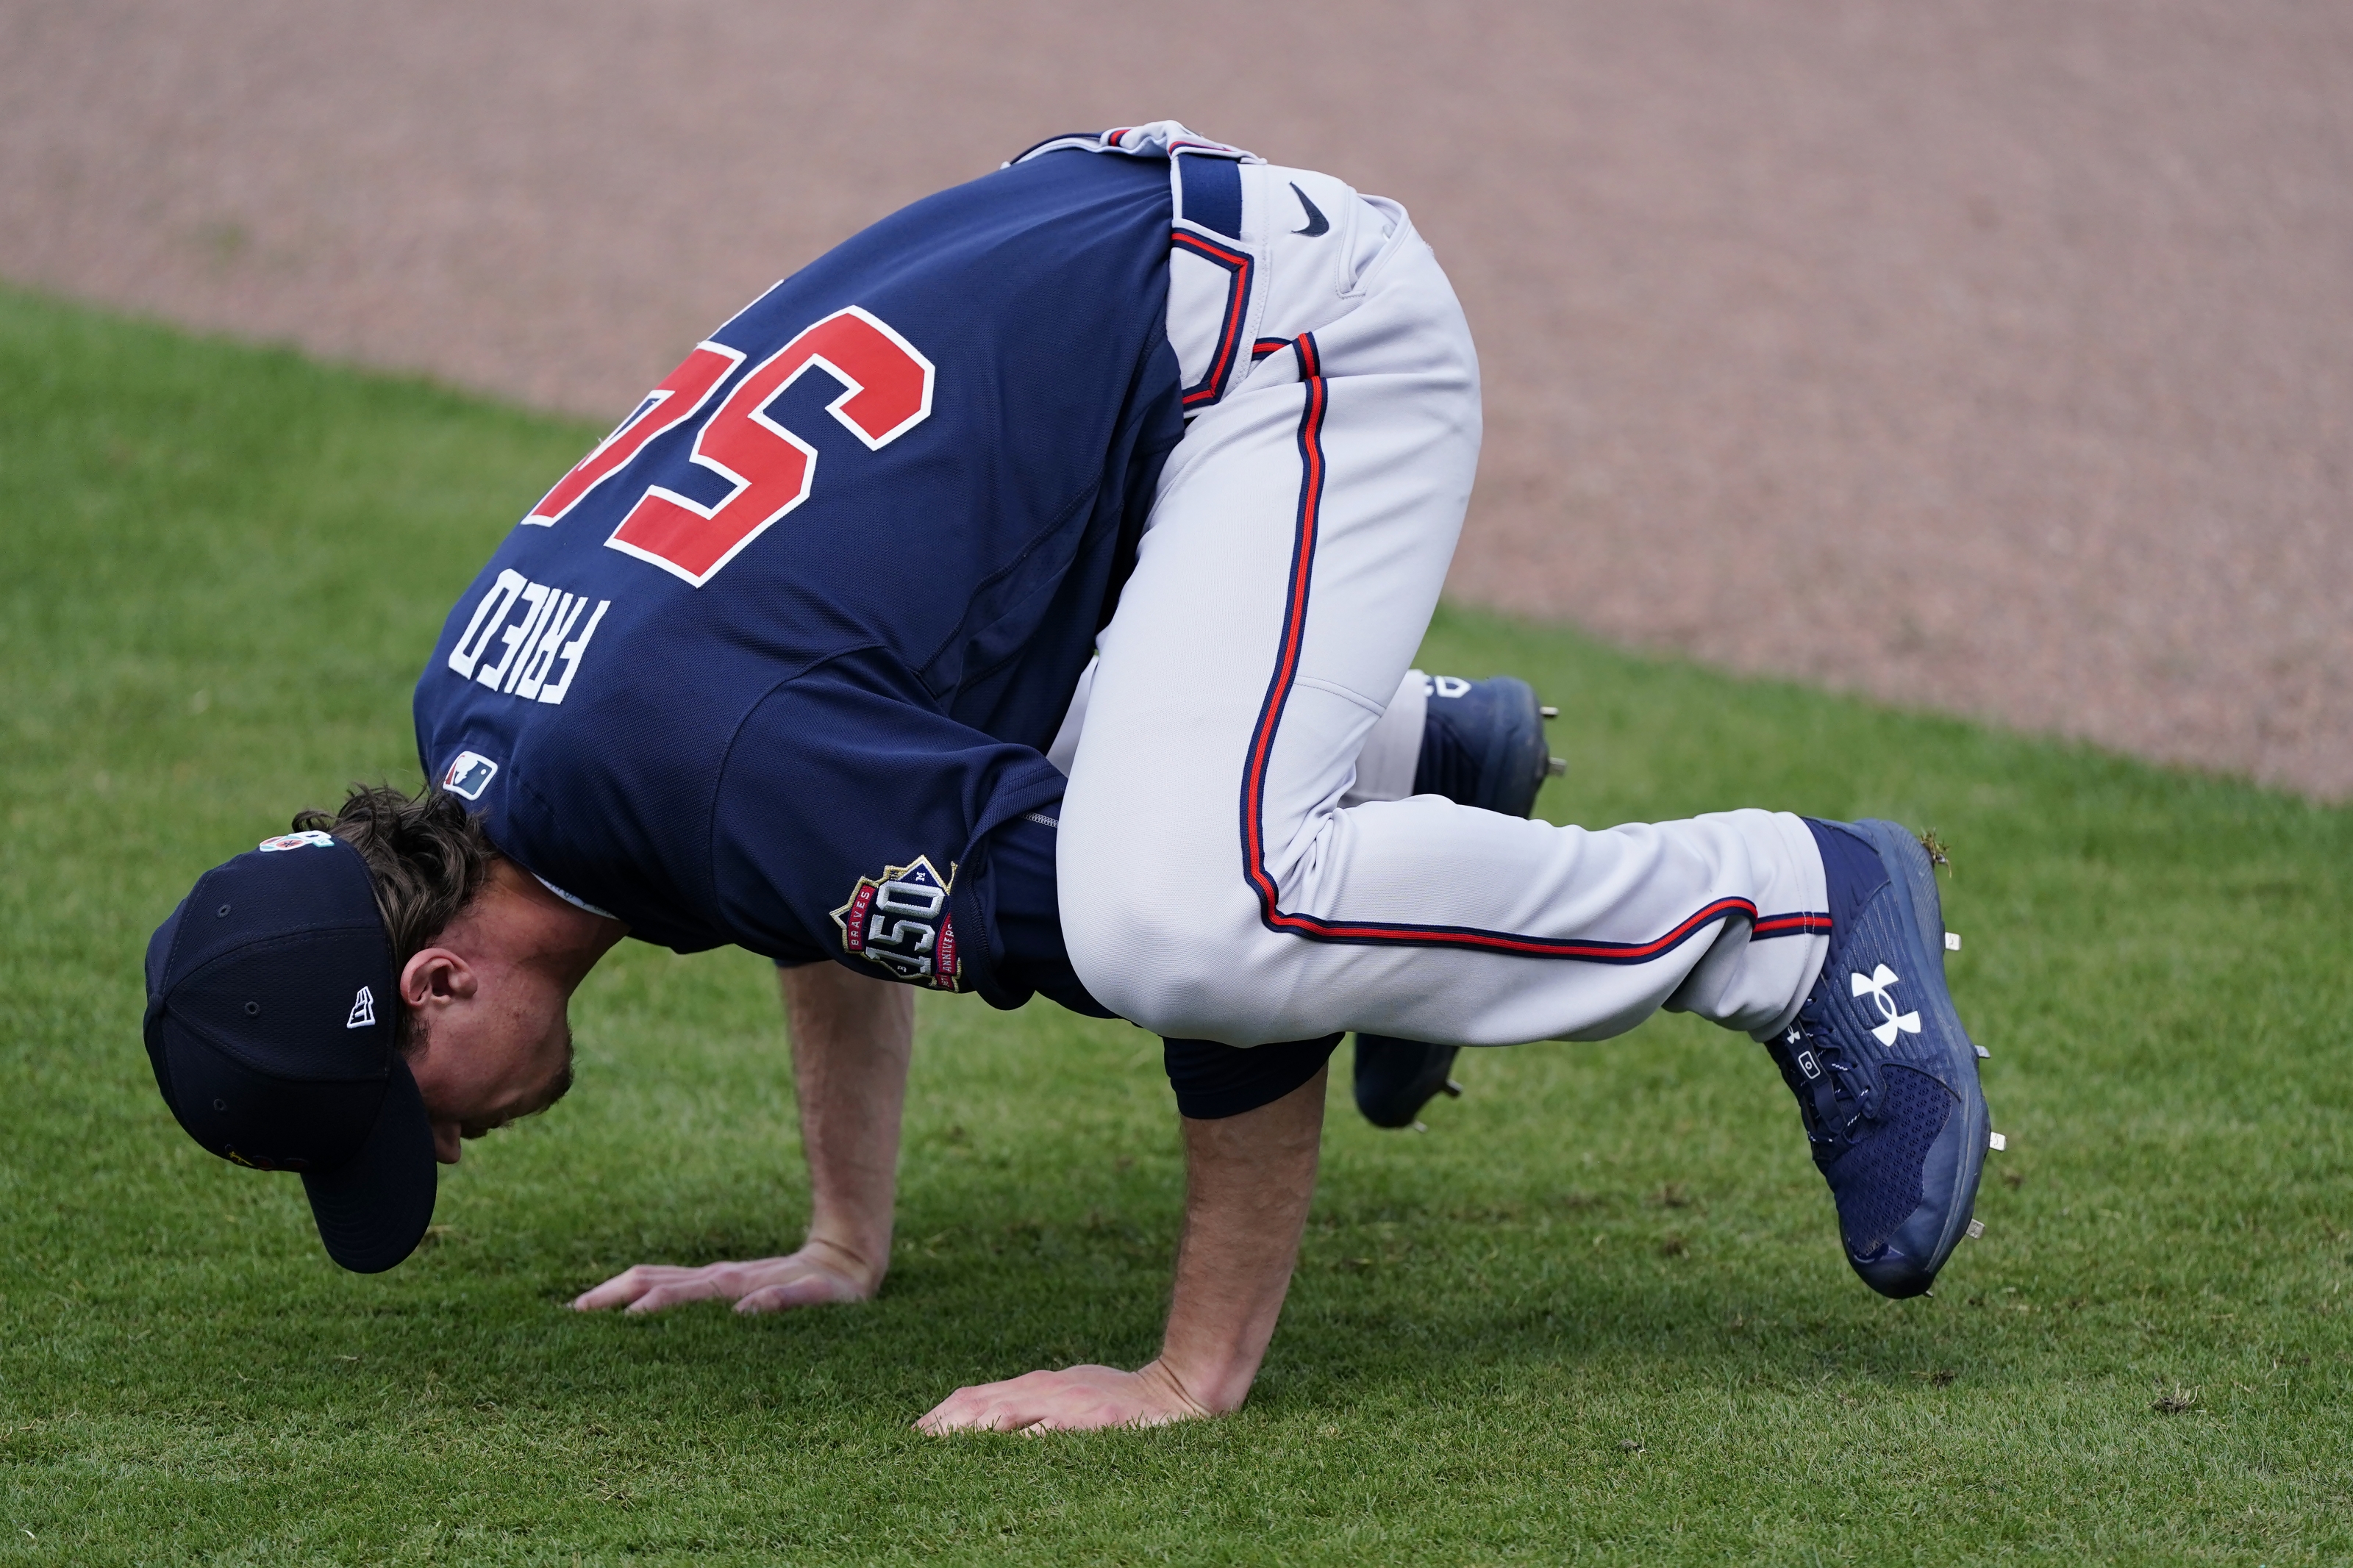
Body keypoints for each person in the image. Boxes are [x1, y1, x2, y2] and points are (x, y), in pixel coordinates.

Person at [140, 123, 1996, 1433]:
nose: (440, 1149)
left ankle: (1785, 907)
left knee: (1188, 902)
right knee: (1161, 858)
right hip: (1115, 309)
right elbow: (798, 852)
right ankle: (1415, 762)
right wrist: (841, 1241)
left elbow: (1197, 978)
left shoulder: (690, 777)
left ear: (444, 972)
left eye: (410, 1111)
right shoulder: (500, 717)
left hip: (1281, 332)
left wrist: (1188, 1371)